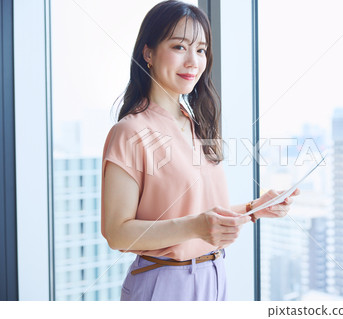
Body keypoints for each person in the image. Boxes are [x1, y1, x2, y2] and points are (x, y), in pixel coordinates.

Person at [101, 0, 300, 301]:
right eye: (179, 47)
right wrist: (195, 227)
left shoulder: (196, 125)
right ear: (148, 53)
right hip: (164, 284)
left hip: (213, 277)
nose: (193, 61)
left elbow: (200, 215)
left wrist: (255, 208)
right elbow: (117, 233)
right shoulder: (129, 132)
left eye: (201, 49)